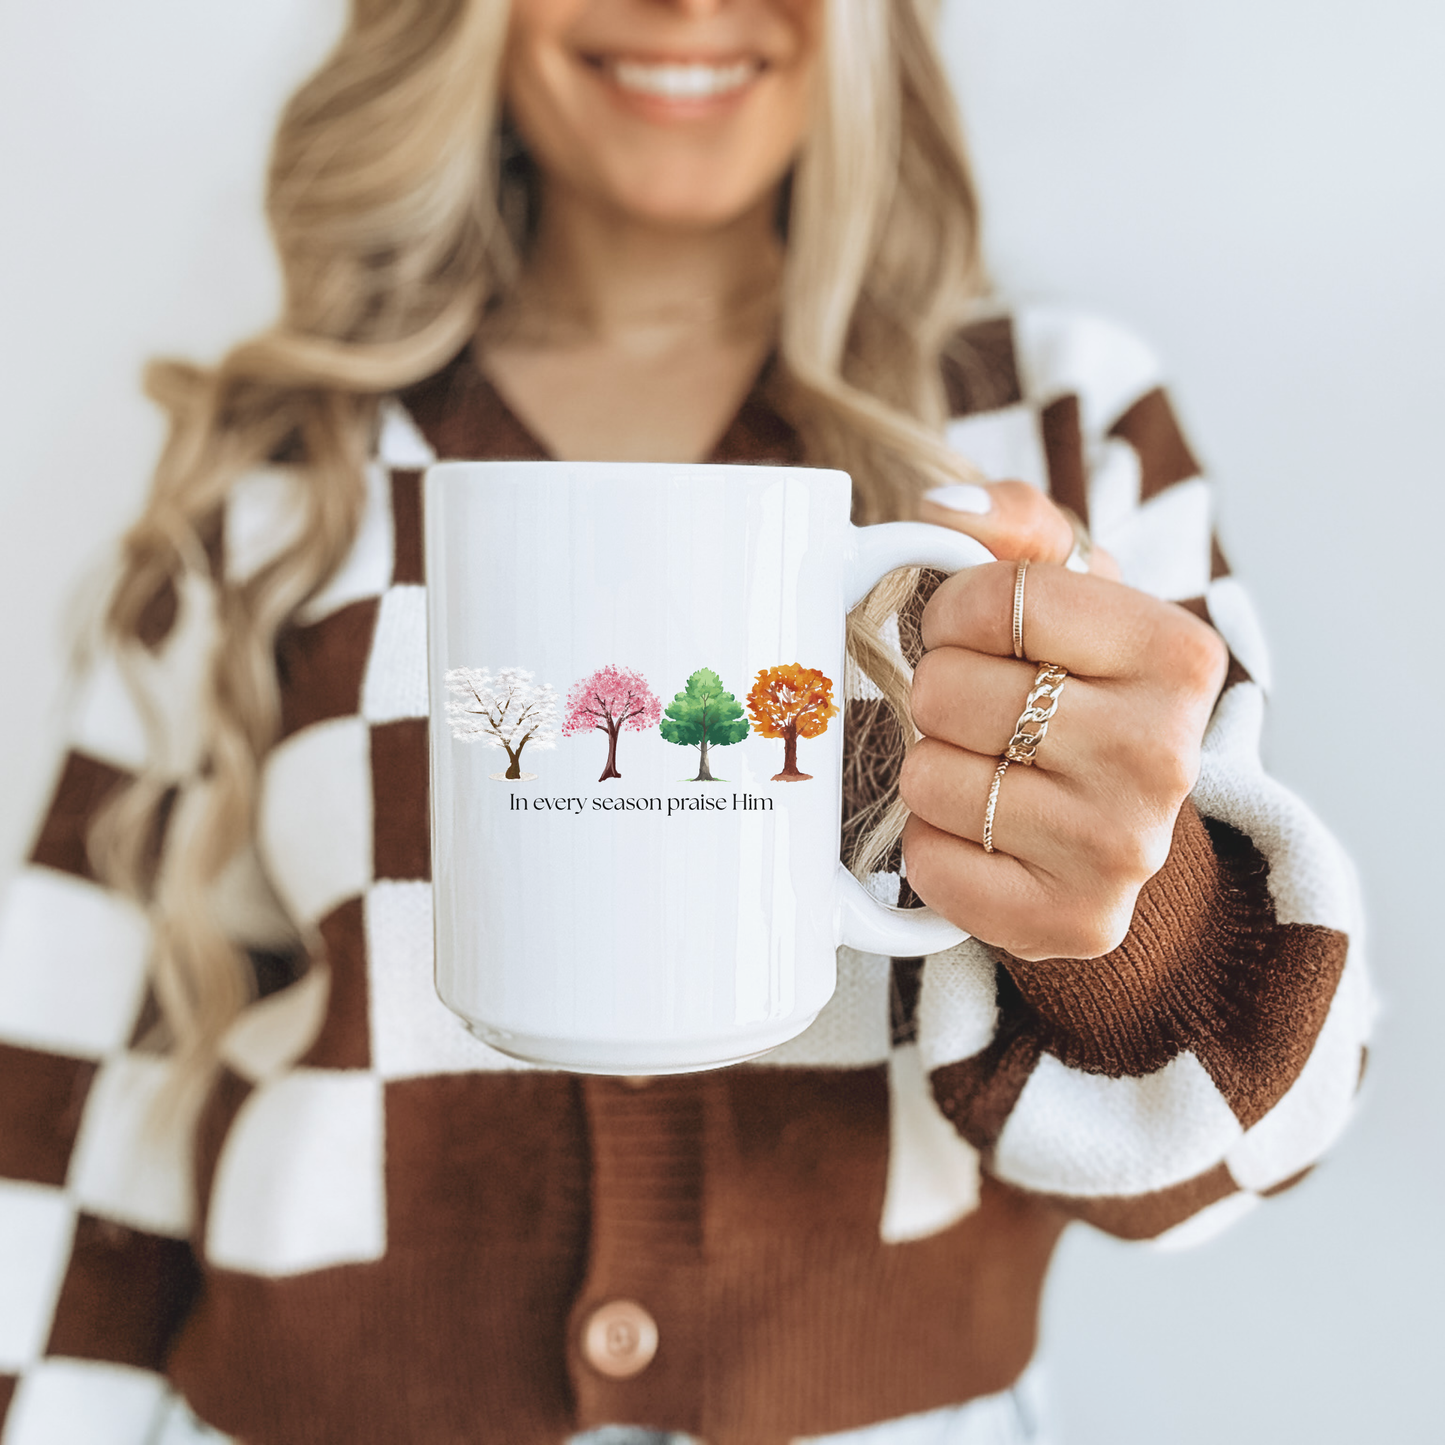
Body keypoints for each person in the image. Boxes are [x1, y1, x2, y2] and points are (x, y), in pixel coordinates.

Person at [0, 1, 1370, 1442]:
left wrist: (1141, 923)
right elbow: (63, 1104)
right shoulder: (287, 471)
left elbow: (1253, 1158)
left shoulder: (1051, 426)